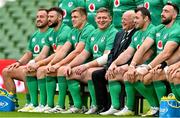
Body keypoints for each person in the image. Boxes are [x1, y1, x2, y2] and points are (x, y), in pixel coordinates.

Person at [31, 7, 95, 113]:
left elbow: (77, 51)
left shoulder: (88, 29)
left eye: (75, 17)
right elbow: (63, 51)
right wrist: (51, 64)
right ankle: (49, 105)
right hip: (77, 63)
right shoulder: (74, 30)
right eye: (72, 17)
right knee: (48, 70)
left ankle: (68, 105)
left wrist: (59, 64)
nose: (72, 19)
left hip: (87, 63)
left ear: (84, 17)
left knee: (61, 70)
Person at [101, 7, 159, 117]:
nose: (134, 21)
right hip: (139, 65)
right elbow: (128, 53)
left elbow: (146, 54)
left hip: (152, 64)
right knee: (113, 72)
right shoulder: (137, 34)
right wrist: (114, 64)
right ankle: (115, 107)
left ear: (146, 18)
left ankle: (155, 106)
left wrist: (129, 66)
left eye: (137, 18)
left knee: (129, 74)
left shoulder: (153, 30)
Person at [58, 7, 117, 114]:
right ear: (95, 19)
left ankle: (95, 105)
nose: (101, 20)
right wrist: (70, 65)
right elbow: (84, 54)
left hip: (105, 67)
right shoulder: (94, 33)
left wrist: (86, 66)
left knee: (91, 72)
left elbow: (106, 58)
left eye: (104, 18)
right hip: (93, 66)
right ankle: (78, 106)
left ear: (110, 19)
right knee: (69, 72)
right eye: (99, 18)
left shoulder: (113, 32)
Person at [18, 7, 71, 112]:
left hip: (67, 62)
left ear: (60, 17)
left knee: (41, 70)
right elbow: (43, 54)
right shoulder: (50, 33)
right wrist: (32, 62)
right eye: (49, 16)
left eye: (51, 16)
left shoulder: (65, 30)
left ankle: (50, 104)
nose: (49, 19)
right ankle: (34, 104)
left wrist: (40, 64)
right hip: (57, 62)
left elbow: (59, 53)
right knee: (29, 70)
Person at [128, 2, 180, 107]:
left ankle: (171, 108)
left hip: (168, 63)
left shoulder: (177, 29)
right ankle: (158, 108)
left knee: (174, 75)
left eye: (166, 11)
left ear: (174, 15)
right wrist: (132, 65)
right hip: (162, 64)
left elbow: (166, 53)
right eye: (162, 11)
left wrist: (148, 67)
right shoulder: (158, 28)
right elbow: (143, 48)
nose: (162, 13)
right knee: (132, 75)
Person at [2, 8, 50, 109]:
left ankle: (31, 102)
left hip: (44, 66)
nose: (38, 19)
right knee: (6, 71)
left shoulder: (51, 33)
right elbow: (28, 54)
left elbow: (44, 55)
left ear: (48, 19)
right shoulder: (35, 35)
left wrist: (32, 63)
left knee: (26, 71)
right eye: (37, 17)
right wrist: (18, 62)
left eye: (42, 17)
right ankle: (13, 101)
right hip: (33, 65)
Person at [91, 10, 136, 114]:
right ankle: (103, 106)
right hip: (113, 65)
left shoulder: (135, 33)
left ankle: (117, 106)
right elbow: (112, 53)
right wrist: (109, 66)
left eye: (125, 19)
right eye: (122, 19)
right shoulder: (120, 33)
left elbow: (131, 55)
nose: (122, 22)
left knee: (113, 74)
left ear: (133, 21)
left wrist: (117, 66)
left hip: (126, 65)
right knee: (96, 74)